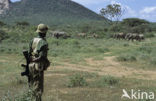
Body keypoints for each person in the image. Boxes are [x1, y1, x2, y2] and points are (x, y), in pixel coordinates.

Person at [28, 24, 50, 101]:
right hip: (38, 66)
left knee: (31, 84)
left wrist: (31, 60)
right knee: (38, 87)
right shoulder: (44, 43)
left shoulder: (32, 40)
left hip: (30, 65)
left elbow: (29, 53)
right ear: (45, 32)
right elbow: (41, 57)